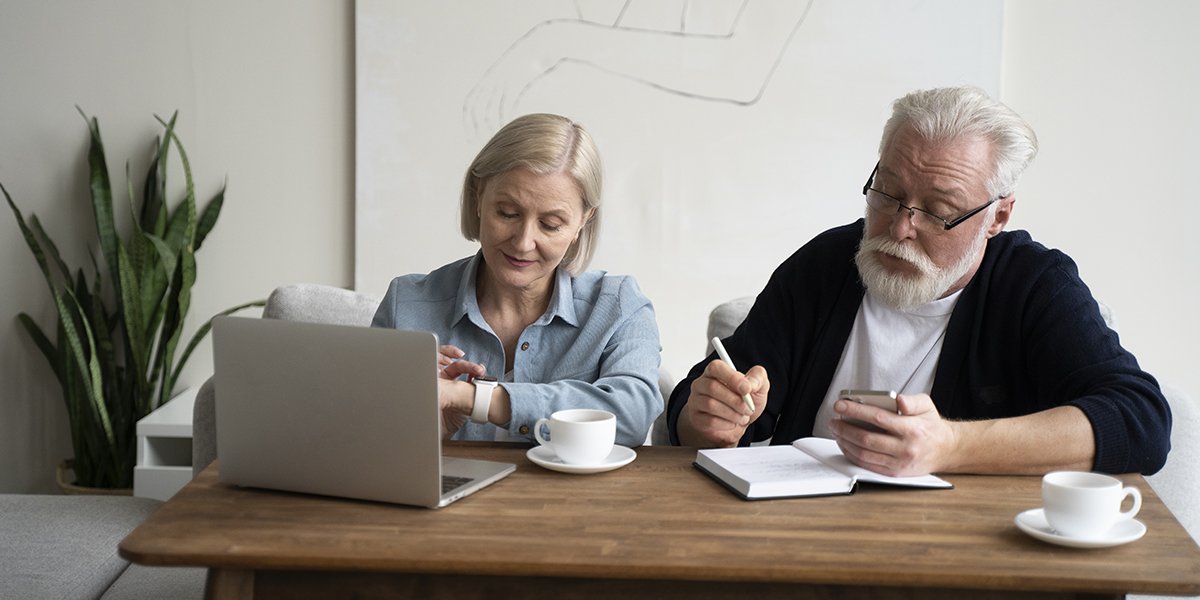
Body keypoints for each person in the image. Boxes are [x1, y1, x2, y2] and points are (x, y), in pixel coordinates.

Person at [667, 86, 1171, 476]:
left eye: (939, 211)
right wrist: (708, 418)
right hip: (806, 538)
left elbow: (1140, 421)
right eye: (887, 193)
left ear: (997, 217)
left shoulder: (1033, 285)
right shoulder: (827, 265)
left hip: (967, 553)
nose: (901, 227)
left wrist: (949, 446)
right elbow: (695, 408)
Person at [372, 113, 661, 447]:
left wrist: (471, 397)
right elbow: (358, 436)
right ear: (478, 196)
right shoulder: (406, 304)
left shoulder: (618, 306)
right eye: (507, 213)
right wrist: (423, 433)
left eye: (551, 224)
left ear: (584, 220)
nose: (523, 242)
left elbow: (631, 418)